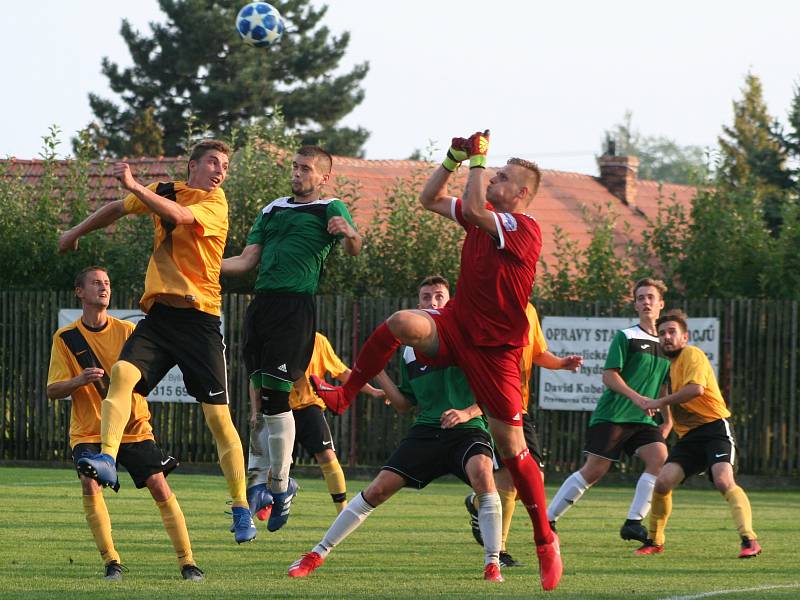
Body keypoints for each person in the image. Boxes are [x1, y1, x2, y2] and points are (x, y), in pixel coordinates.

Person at [309, 132, 564, 591]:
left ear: (521, 194)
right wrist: (453, 159)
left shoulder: (522, 228)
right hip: (457, 327)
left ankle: (545, 538)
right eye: (495, 172)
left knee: (513, 451)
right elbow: (429, 198)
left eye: (503, 177)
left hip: (497, 353)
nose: (494, 179)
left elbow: (476, 208)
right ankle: (346, 394)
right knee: (403, 322)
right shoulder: (482, 220)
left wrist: (478, 160)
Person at [58, 140, 256, 544]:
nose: (220, 171)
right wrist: (75, 231)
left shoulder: (215, 203)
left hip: (200, 321)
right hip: (161, 318)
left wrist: (134, 186)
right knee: (122, 376)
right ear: (192, 165)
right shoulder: (164, 188)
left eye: (225, 166)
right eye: (213, 163)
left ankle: (240, 507)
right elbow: (115, 209)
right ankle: (108, 459)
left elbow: (180, 216)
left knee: (219, 419)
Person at [288, 275, 506, 582]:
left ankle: (493, 563)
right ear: (418, 305)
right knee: (377, 489)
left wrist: (466, 412)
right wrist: (378, 374)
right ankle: (315, 555)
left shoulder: (467, 334)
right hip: (427, 431)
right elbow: (405, 404)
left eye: (439, 297)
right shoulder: (408, 351)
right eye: (426, 297)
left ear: (449, 300)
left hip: (469, 428)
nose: (433, 302)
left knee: (484, 475)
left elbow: (495, 393)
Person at [221, 145, 362, 532]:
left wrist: (348, 231)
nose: (298, 173)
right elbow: (247, 260)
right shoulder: (271, 209)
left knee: (278, 395)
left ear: (323, 177)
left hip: (294, 308)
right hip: (261, 306)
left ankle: (280, 488)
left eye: (306, 169)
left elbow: (354, 247)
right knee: (263, 398)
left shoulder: (330, 207)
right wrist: (203, 266)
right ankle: (273, 484)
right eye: (295, 167)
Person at [46, 266, 204, 582]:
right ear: (80, 292)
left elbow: (147, 372)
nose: (103, 287)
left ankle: (188, 563)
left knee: (160, 486)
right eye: (95, 283)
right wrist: (79, 380)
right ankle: (112, 562)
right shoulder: (66, 338)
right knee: (90, 483)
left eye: (107, 282)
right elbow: (52, 390)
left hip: (131, 427)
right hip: (88, 431)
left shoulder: (129, 333)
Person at [547, 278, 672, 543]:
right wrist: (638, 398)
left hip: (643, 418)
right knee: (594, 471)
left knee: (659, 457)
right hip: (613, 415)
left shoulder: (667, 345)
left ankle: (633, 522)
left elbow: (664, 387)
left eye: (650, 297)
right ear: (635, 305)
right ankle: (548, 520)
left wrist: (668, 420)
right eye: (640, 298)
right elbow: (609, 377)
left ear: (661, 304)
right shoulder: (626, 336)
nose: (645, 302)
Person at [633, 309, 761, 558]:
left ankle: (749, 540)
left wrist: (657, 404)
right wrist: (667, 421)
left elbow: (695, 390)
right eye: (662, 333)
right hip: (689, 437)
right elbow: (664, 394)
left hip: (714, 428)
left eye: (672, 332)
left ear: (685, 337)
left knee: (723, 480)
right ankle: (654, 540)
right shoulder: (665, 366)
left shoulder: (692, 354)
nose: (666, 337)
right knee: (662, 483)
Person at [466, 302, 582, 567]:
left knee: (534, 479)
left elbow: (538, 353)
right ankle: (499, 551)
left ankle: (478, 502)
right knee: (509, 477)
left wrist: (562, 363)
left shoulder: (528, 310)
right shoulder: (484, 305)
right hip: (492, 405)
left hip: (520, 406)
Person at [246, 331, 384, 518]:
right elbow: (256, 379)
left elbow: (343, 372)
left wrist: (373, 391)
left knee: (327, 456)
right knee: (279, 463)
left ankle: (343, 512)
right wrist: (256, 411)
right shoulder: (272, 338)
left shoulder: (318, 340)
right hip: (279, 409)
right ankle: (272, 499)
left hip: (309, 407)